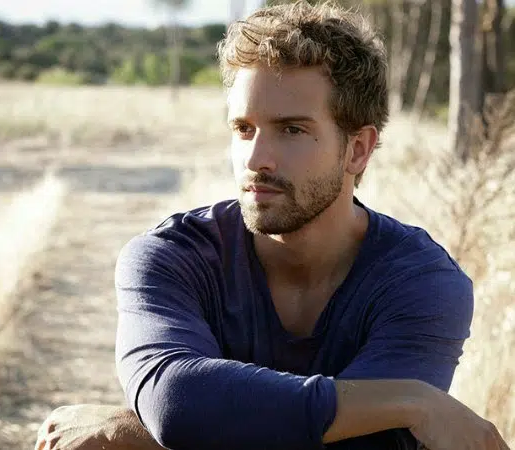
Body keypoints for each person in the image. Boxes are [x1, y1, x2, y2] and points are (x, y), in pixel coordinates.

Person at [35, 1, 512, 449]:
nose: (256, 159)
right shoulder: (172, 257)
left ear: (358, 149)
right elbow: (176, 399)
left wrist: (133, 433)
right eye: (244, 129)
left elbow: (366, 443)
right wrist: (410, 401)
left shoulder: (420, 283)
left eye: (292, 130)